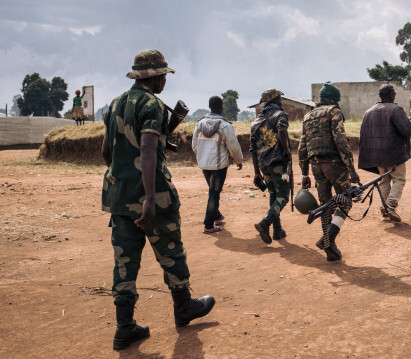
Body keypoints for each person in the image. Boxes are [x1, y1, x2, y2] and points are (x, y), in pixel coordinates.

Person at [101, 49, 215, 351]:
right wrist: (149, 197)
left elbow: (105, 153)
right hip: (152, 196)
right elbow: (149, 149)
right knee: (171, 251)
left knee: (124, 262)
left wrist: (124, 176)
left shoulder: (114, 105)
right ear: (154, 77)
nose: (165, 79)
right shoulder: (151, 104)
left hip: (118, 196)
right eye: (163, 74)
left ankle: (125, 327)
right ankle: (184, 307)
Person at [298, 81, 360, 261]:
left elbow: (302, 147)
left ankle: (330, 248)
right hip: (334, 165)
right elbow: (341, 142)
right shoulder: (333, 112)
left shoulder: (308, 116)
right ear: (334, 99)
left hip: (316, 166)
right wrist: (352, 170)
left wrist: (305, 173)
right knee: (346, 200)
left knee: (325, 205)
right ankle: (329, 238)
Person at [358, 84, 411, 221]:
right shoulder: (396, 109)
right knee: (399, 179)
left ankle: (384, 209)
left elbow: (364, 136)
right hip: (393, 154)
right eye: (394, 94)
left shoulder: (368, 112)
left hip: (375, 155)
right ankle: (390, 205)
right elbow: (408, 130)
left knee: (384, 181)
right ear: (391, 95)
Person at [192, 95, 243, 234]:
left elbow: (194, 145)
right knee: (214, 194)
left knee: (213, 192)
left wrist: (201, 158)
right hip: (219, 166)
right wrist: (239, 161)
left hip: (204, 165)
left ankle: (217, 216)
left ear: (210, 106)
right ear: (221, 107)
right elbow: (233, 146)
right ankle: (208, 225)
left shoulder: (199, 124)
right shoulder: (225, 125)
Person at [250, 88, 292, 244]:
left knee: (273, 194)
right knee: (283, 196)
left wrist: (256, 172)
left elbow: (253, 149)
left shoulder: (255, 122)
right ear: (274, 100)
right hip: (278, 163)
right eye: (280, 99)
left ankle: (277, 230)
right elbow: (282, 130)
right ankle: (265, 223)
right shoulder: (280, 115)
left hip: (263, 165)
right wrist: (287, 150)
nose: (282, 101)